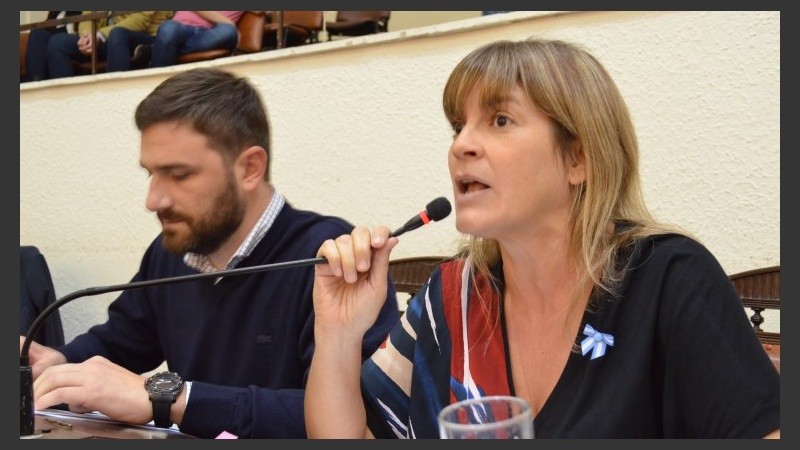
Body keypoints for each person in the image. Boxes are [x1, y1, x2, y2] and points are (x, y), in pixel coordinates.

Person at [304, 38, 780, 438]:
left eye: (500, 120)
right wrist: (338, 334)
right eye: (458, 126)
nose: (461, 145)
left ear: (578, 159)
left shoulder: (667, 279)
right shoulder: (449, 298)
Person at [20, 67, 400, 438]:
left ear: (250, 168)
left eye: (179, 174)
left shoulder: (332, 262)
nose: (153, 200)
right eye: (151, 173)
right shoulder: (172, 250)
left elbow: (357, 421)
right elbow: (119, 342)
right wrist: (58, 363)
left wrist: (172, 399)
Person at [40, 11, 172, 79]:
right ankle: (67, 102)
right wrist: (87, 36)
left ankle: (115, 94)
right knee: (57, 42)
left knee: (117, 34)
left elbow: (140, 20)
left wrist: (99, 35)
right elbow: (87, 16)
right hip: (105, 38)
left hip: (144, 37)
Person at [149, 11, 243, 68]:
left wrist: (230, 27)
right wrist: (229, 23)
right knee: (168, 27)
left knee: (229, 31)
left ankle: (162, 48)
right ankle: (158, 84)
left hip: (213, 34)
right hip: (180, 28)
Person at [23, 11, 81, 82]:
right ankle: (35, 82)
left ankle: (62, 87)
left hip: (78, 39)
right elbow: (47, 26)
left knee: (56, 41)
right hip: (56, 39)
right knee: (36, 34)